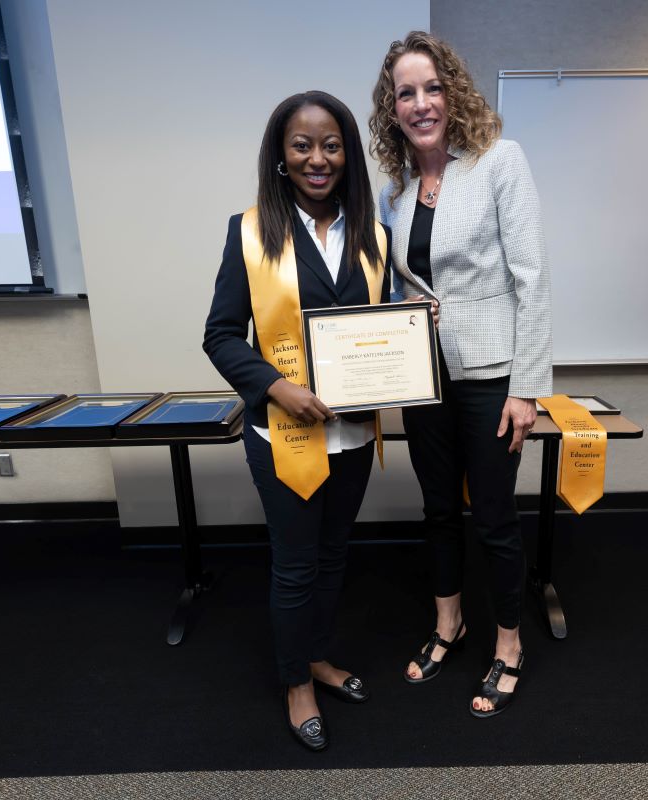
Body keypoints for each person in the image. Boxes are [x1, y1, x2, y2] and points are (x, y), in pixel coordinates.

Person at [369, 31, 552, 718]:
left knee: (495, 516)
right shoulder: (397, 192)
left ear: (454, 92)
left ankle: (508, 643)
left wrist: (527, 388)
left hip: (493, 374)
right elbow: (397, 288)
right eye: (405, 93)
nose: (420, 103)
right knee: (438, 509)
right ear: (393, 109)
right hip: (425, 376)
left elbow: (531, 280)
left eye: (431, 88)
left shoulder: (500, 162)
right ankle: (450, 625)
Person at [203, 91, 390, 751]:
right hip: (283, 436)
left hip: (353, 435)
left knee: (335, 557)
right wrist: (277, 387)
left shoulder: (373, 234)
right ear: (281, 157)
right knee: (295, 566)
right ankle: (297, 684)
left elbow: (379, 333)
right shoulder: (250, 231)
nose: (319, 158)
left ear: (348, 154)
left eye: (331, 145)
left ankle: (317, 656)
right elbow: (222, 336)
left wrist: (409, 349)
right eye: (303, 145)